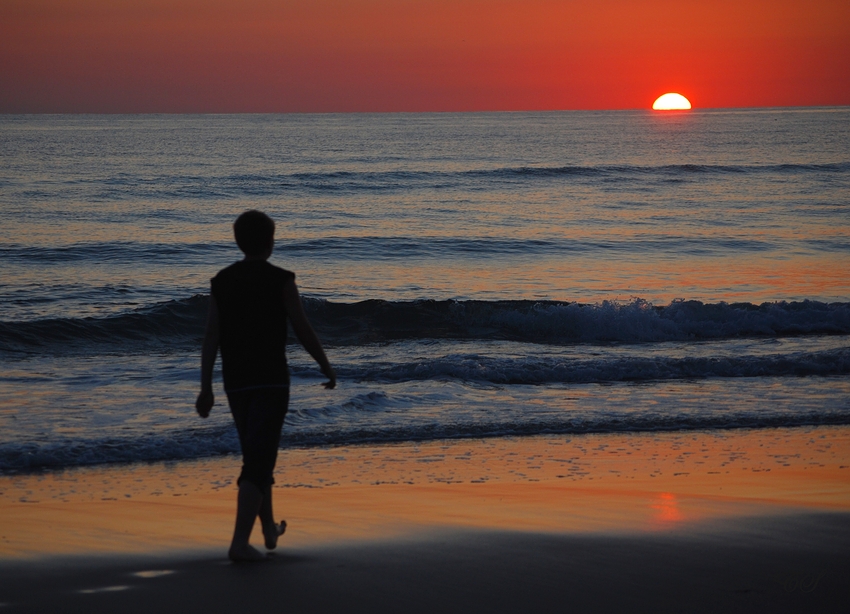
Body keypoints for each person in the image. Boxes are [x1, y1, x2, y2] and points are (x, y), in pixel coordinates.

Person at [195, 210, 336, 562]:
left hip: (235, 381)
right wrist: (325, 365)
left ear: (238, 241)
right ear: (270, 242)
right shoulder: (281, 279)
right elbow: (303, 329)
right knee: (259, 460)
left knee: (257, 455)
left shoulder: (221, 281)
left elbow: (211, 336)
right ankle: (239, 544)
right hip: (271, 380)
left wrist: (205, 387)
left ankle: (269, 529)